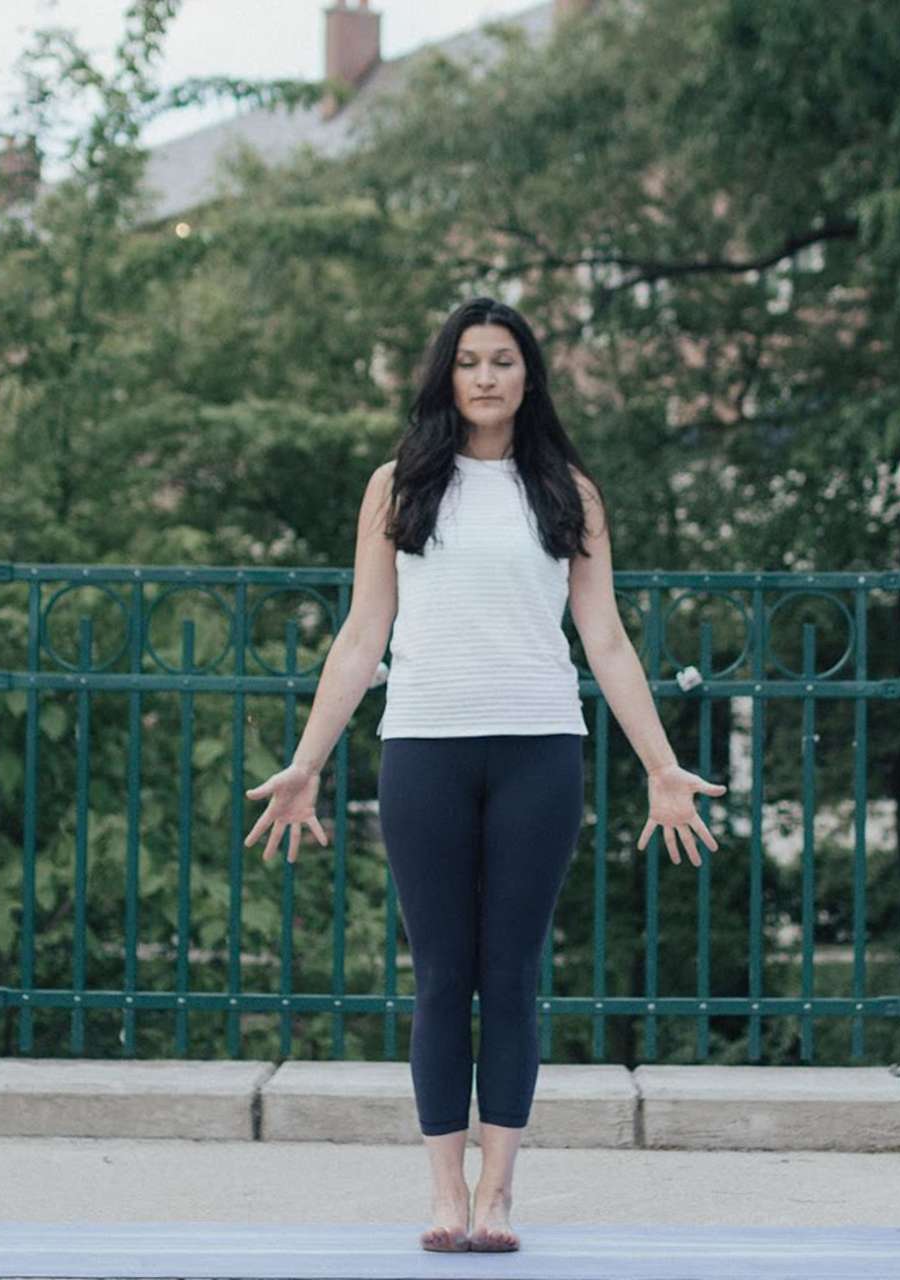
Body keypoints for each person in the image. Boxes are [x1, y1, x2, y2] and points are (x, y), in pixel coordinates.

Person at [242, 297, 726, 1253]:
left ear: (529, 375)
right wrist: (307, 760)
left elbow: (608, 639)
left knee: (509, 976)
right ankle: (444, 1195)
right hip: (424, 748)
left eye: (504, 360)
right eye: (469, 361)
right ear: (446, 376)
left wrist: (663, 767)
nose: (487, 377)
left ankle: (498, 1194)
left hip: (540, 753)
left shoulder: (568, 494)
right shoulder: (399, 486)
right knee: (440, 977)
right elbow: (360, 632)